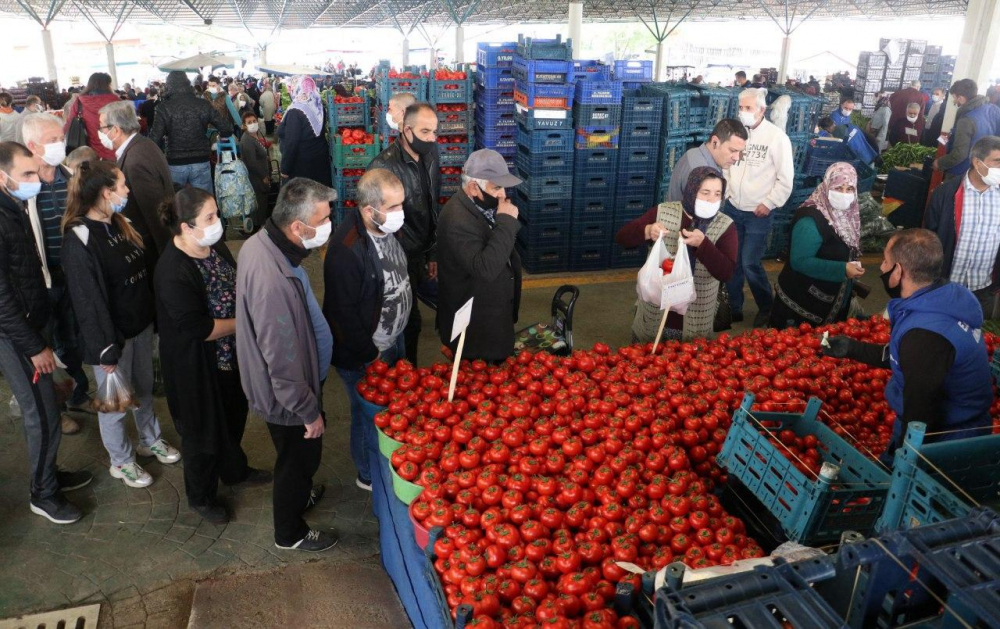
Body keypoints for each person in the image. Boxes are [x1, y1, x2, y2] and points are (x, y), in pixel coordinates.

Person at [823, 228, 993, 464]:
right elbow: (908, 357)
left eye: (885, 261)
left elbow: (920, 416)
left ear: (898, 271)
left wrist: (901, 460)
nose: (881, 268)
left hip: (947, 440)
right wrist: (851, 348)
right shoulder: (943, 297)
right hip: (957, 423)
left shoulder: (925, 336)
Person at [154, 187, 271, 523]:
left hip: (230, 358)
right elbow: (200, 329)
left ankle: (234, 470)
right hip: (196, 369)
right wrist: (246, 322)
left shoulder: (213, 245)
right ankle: (201, 496)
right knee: (202, 433)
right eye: (210, 217)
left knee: (233, 415)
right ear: (186, 227)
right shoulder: (173, 271)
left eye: (216, 214)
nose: (218, 222)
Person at [61, 160, 180, 488]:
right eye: (122, 185)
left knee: (142, 390)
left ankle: (149, 438)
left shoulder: (121, 222)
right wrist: (105, 350)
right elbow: (87, 302)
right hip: (111, 340)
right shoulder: (80, 238)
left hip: (139, 327)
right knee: (114, 405)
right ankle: (121, 460)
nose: (127, 191)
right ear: (104, 192)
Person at [235, 177, 337, 552]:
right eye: (323, 219)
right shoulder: (272, 278)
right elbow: (281, 357)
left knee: (298, 463)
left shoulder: (264, 245)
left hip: (295, 386)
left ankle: (300, 496)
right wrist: (308, 411)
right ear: (298, 226)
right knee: (296, 462)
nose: (328, 226)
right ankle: (289, 531)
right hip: (289, 397)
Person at [0, 142, 90, 524]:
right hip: (18, 336)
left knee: (49, 407)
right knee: (42, 414)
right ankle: (43, 492)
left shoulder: (12, 207)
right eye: (26, 175)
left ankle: (49, 474)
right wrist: (35, 345)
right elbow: (2, 299)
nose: (34, 181)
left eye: (34, 172)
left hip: (31, 326)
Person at [323, 169, 410, 490]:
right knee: (366, 415)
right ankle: (367, 474)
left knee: (387, 410)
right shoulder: (346, 250)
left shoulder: (386, 228)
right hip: (367, 353)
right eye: (393, 207)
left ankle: (381, 460)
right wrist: (370, 355)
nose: (400, 213)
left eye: (402, 205)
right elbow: (342, 314)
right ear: (368, 208)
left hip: (392, 338)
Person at [21, 114, 92, 421]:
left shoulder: (71, 177)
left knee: (74, 338)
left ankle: (78, 393)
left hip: (74, 275)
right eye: (52, 140)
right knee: (46, 345)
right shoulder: (20, 186)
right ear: (32, 146)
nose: (60, 144)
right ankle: (55, 408)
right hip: (41, 281)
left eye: (60, 138)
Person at [616, 167, 737, 341]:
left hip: (695, 320)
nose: (711, 200)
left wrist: (703, 245)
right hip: (654, 314)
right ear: (691, 190)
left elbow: (727, 272)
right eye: (705, 193)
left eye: (717, 194)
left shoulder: (725, 226)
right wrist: (647, 230)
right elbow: (622, 238)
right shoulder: (664, 212)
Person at [369, 103, 440, 364]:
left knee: (417, 315)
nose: (431, 139)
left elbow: (433, 205)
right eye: (425, 132)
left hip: (422, 251)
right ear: (406, 129)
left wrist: (432, 251)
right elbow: (376, 223)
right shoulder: (384, 166)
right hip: (399, 256)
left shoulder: (432, 155)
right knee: (408, 319)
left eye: (434, 132)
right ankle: (407, 372)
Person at [436, 150, 522, 363]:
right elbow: (485, 268)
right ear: (474, 187)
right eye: (496, 188)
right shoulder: (457, 219)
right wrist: (506, 223)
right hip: (476, 329)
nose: (503, 194)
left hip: (490, 316)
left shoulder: (478, 205)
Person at [725, 88, 794, 327]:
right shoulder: (735, 133)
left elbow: (786, 178)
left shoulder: (777, 138)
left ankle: (767, 306)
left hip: (758, 212)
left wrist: (769, 202)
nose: (743, 113)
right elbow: (727, 165)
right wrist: (726, 194)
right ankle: (734, 306)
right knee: (732, 260)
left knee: (749, 262)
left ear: (762, 110)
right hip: (733, 208)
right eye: (741, 108)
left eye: (748, 108)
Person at [770, 163, 864, 328]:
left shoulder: (848, 215)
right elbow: (800, 261)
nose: (844, 194)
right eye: (838, 188)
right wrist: (843, 269)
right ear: (826, 186)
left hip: (829, 300)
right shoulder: (810, 220)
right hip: (802, 303)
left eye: (849, 189)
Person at [925, 135, 1000, 319]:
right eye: (997, 161)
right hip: (946, 284)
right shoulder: (945, 193)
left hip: (984, 288)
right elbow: (929, 237)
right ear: (977, 162)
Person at [99, 100, 174, 274]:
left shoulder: (135, 160)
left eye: (102, 127)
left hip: (152, 248)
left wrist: (166, 259)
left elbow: (155, 212)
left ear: (116, 130)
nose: (100, 132)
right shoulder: (142, 145)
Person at [150, 71, 233, 195]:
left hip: (175, 162)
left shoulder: (163, 108)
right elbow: (226, 128)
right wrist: (216, 138)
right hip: (201, 161)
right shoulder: (203, 104)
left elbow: (154, 139)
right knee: (204, 203)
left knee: (178, 206)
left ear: (169, 86)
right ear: (188, 84)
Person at [667, 118, 747, 202]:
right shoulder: (702, 173)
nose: (737, 158)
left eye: (740, 152)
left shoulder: (693, 153)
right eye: (733, 150)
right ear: (715, 142)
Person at [934, 79, 1000, 178]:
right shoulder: (994, 110)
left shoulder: (967, 120)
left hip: (962, 172)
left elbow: (959, 154)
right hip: (985, 170)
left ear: (960, 98)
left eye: (954, 98)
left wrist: (939, 163)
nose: (954, 101)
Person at [278, 76, 331, 187]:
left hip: (302, 167)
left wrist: (285, 169)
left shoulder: (296, 111)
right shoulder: (317, 104)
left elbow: (291, 143)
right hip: (319, 161)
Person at [62, 73, 120, 161]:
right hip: (116, 150)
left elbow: (69, 124)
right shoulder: (117, 102)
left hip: (90, 152)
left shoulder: (80, 102)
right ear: (108, 85)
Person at [238, 111, 271, 229]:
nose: (253, 124)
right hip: (256, 178)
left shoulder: (255, 136)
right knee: (259, 205)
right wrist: (263, 176)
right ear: (244, 125)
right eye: (249, 122)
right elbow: (252, 163)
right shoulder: (247, 140)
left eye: (254, 121)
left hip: (260, 176)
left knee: (262, 203)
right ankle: (257, 229)